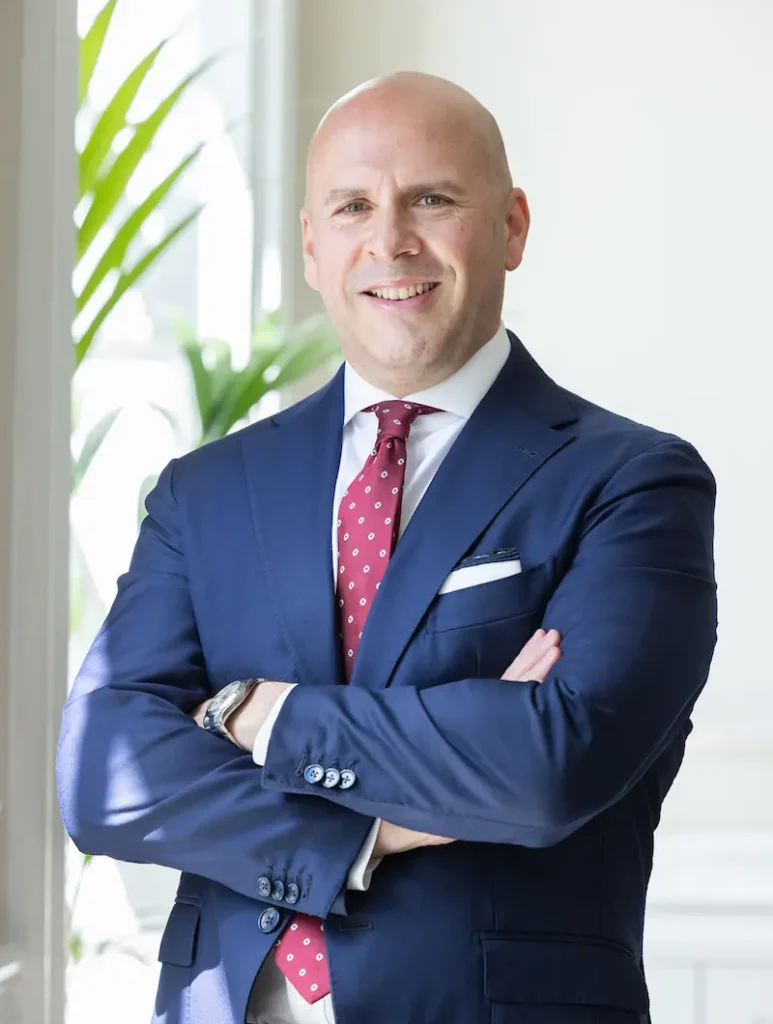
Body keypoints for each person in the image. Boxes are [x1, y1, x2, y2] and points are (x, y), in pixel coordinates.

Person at [56, 71, 718, 1024]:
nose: (391, 239)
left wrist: (255, 715)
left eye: (433, 199)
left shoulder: (631, 481)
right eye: (354, 205)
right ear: (314, 245)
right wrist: (379, 823)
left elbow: (550, 767)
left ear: (511, 226)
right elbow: (104, 775)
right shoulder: (205, 491)